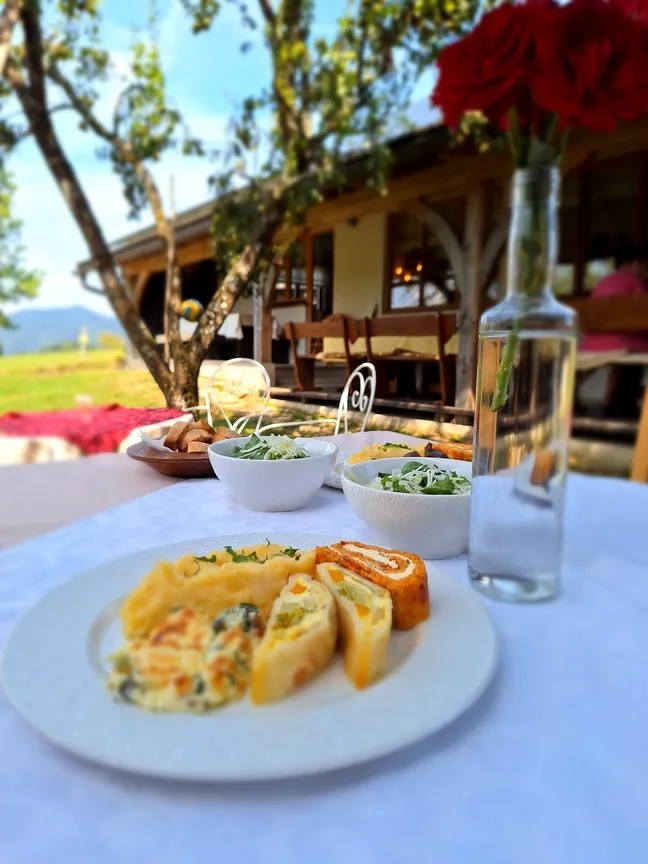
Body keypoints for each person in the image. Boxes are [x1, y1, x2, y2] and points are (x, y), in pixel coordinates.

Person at [580, 238, 648, 417]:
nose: (644, 271)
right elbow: (643, 315)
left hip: (591, 345)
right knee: (637, 353)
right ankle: (625, 405)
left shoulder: (603, 283)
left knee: (625, 355)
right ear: (634, 263)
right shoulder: (634, 281)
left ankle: (613, 400)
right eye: (643, 266)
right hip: (622, 345)